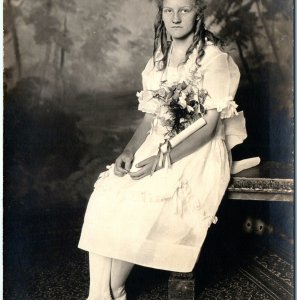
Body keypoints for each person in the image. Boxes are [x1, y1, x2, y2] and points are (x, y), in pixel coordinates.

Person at [78, 0, 248, 299]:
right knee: (107, 194)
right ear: (162, 15)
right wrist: (129, 151)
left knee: (141, 203)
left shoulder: (214, 59)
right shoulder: (159, 58)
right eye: (169, 10)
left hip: (198, 149)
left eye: (184, 9)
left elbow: (208, 128)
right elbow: (151, 118)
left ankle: (114, 290)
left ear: (198, 14)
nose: (176, 17)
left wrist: (161, 160)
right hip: (158, 142)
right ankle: (100, 295)